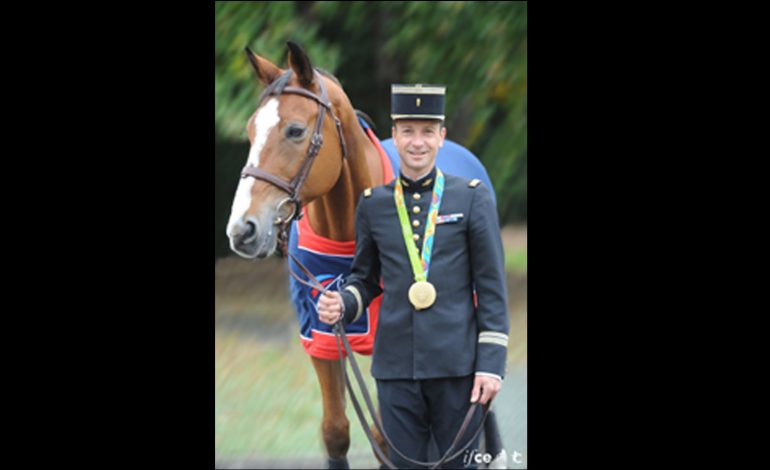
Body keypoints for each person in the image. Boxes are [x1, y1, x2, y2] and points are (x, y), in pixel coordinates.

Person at [317, 83, 509, 469]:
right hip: (395, 372)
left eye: (426, 131)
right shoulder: (373, 206)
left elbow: (491, 289)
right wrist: (344, 302)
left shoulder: (471, 198)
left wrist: (490, 365)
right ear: (394, 136)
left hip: (459, 369)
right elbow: (365, 279)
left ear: (441, 136)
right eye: (408, 131)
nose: (416, 142)